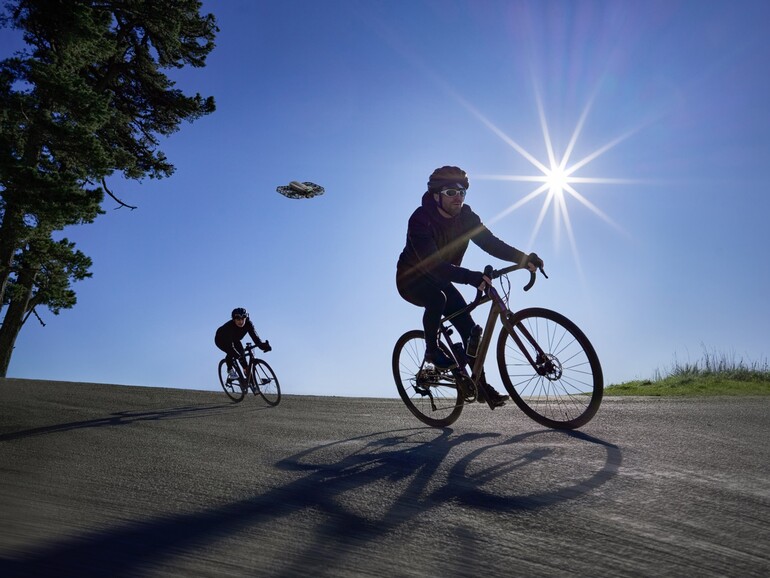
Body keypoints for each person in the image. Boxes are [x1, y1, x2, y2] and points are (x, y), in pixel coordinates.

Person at [396, 165, 544, 407]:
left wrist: (523, 258)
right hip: (411, 279)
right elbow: (433, 264)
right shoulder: (420, 219)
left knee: (470, 329)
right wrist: (471, 277)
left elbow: (491, 243)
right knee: (436, 300)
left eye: (463, 192)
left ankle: (480, 386)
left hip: (442, 278)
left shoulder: (466, 217)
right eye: (451, 192)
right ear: (436, 195)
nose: (459, 197)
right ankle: (431, 351)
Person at [214, 307, 270, 387]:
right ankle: (230, 370)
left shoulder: (248, 324)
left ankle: (251, 383)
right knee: (233, 353)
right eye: (238, 319)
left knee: (243, 359)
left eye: (243, 319)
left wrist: (262, 346)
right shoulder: (229, 327)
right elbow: (230, 347)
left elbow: (255, 337)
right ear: (234, 320)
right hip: (221, 339)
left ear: (246, 318)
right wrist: (236, 354)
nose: (241, 322)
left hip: (235, 340)